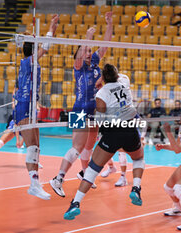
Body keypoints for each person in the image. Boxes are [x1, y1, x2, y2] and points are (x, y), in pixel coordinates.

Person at [64, 64, 145, 220]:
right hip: (130, 128)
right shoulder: (124, 83)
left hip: (113, 131)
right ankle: (136, 187)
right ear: (116, 74)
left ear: (103, 77)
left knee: (93, 169)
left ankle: (75, 203)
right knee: (138, 158)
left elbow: (100, 117)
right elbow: (116, 76)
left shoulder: (101, 92)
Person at [49, 12, 113, 198]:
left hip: (94, 111)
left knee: (89, 145)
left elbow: (106, 45)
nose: (87, 53)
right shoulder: (78, 65)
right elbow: (83, 50)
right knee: (77, 147)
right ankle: (58, 178)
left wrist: (109, 24)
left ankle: (85, 174)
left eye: (88, 50)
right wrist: (88, 36)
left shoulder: (93, 61)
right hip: (80, 110)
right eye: (84, 50)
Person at [13, 14, 59, 200]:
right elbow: (45, 47)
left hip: (31, 106)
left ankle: (35, 183)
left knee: (36, 147)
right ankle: (34, 184)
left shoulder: (33, 64)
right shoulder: (27, 62)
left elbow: (45, 47)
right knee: (32, 146)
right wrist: (50, 27)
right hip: (24, 106)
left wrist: (52, 29)